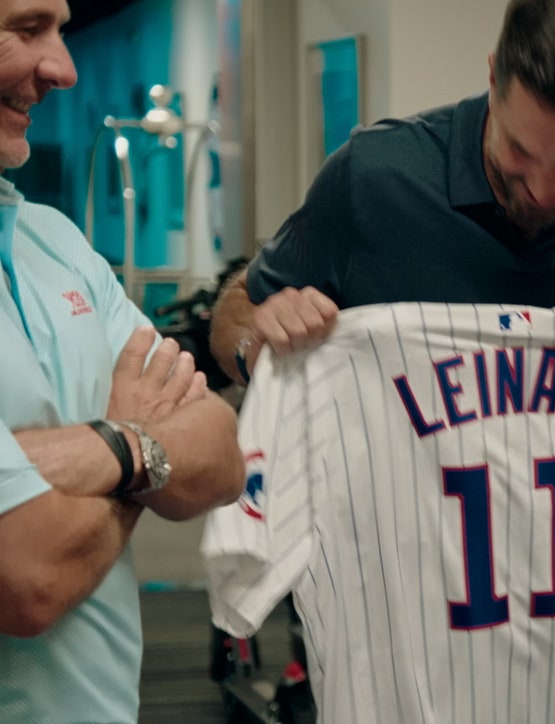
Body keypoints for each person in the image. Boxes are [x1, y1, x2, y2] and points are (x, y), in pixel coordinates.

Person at [206, 0, 555, 720]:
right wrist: (262, 342)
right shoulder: (376, 180)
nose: (539, 189)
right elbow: (236, 313)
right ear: (494, 78)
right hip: (410, 676)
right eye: (518, 154)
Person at [0, 1, 246, 722]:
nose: (64, 69)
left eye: (61, 30)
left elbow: (222, 453)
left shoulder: (56, 242)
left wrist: (113, 448)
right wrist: (143, 451)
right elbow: (28, 577)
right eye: (26, 28)